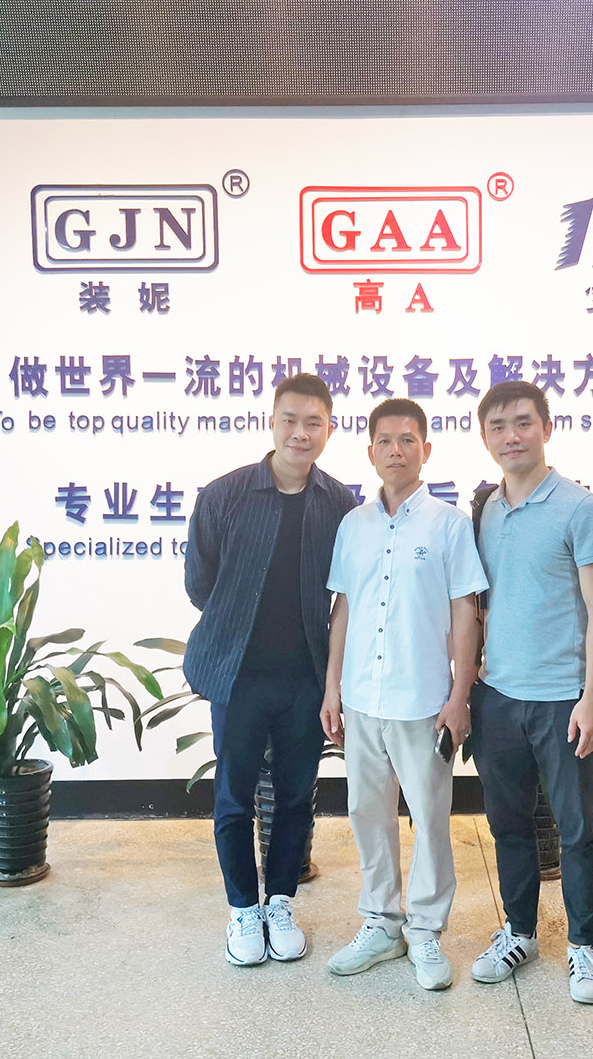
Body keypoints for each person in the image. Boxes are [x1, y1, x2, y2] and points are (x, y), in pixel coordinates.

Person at [183, 372, 357, 967]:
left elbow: (345, 593)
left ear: (329, 430)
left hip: (304, 678)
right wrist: (237, 625)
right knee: (233, 796)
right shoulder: (225, 495)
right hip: (238, 676)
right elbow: (200, 583)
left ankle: (279, 902)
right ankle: (242, 908)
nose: (300, 433)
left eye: (313, 423)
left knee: (295, 796)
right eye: (290, 420)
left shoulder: (339, 504)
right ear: (272, 421)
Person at [320, 398, 487, 991]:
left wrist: (459, 694)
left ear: (426, 449)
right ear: (370, 452)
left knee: (430, 819)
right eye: (386, 441)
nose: (397, 450)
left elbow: (465, 611)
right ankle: (380, 922)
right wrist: (333, 687)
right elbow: (343, 609)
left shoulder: (448, 524)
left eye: (408, 439)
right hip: (363, 698)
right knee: (366, 813)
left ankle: (425, 930)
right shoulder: (353, 525)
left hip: (423, 701)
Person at [468, 380, 593, 1004]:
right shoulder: (485, 509)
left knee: (576, 830)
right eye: (498, 426)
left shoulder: (581, 509)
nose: (512, 436)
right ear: (485, 437)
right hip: (497, 698)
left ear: (547, 428)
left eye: (524, 423)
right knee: (507, 825)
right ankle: (520, 932)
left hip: (564, 699)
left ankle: (584, 946)